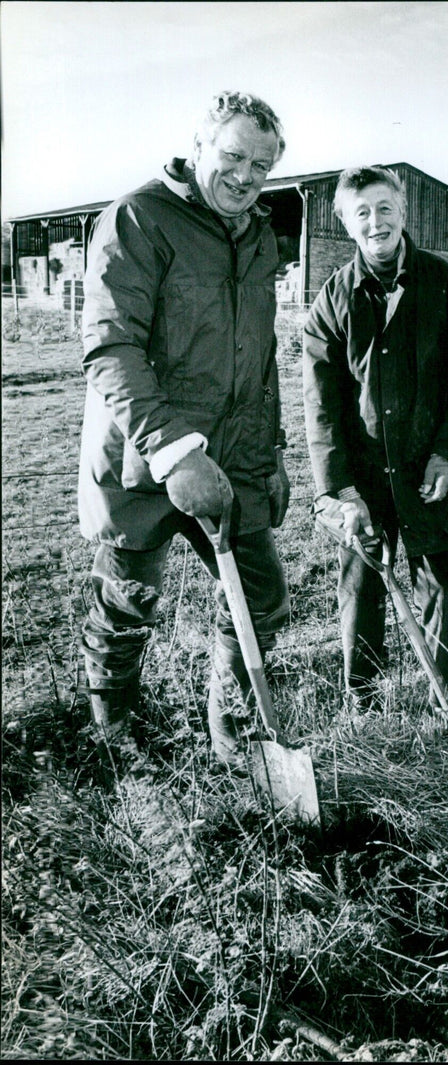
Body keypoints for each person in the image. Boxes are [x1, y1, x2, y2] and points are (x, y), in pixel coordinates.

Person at [78, 90, 291, 764]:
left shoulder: (259, 234)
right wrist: (174, 452)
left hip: (236, 457)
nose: (245, 176)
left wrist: (275, 449)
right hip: (142, 463)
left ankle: (234, 737)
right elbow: (110, 347)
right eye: (232, 156)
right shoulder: (138, 218)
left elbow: (261, 356)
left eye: (262, 164)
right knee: (128, 602)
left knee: (260, 597)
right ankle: (116, 740)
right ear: (198, 146)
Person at [303, 166, 448, 709]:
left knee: (439, 585)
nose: (375, 222)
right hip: (362, 479)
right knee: (360, 590)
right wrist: (340, 489)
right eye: (361, 212)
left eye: (385, 208)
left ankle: (444, 704)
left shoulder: (445, 284)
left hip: (431, 470)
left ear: (404, 212)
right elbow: (322, 404)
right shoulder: (332, 300)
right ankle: (363, 707)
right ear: (346, 223)